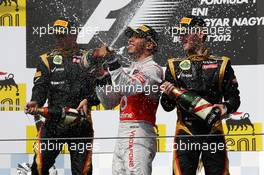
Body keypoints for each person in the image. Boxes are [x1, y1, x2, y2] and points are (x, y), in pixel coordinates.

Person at [160, 15, 240, 175]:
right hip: (186, 131)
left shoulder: (222, 64)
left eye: (185, 32)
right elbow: (166, 107)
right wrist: (169, 94)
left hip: (213, 131)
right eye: (179, 33)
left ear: (201, 33)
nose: (180, 36)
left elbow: (234, 99)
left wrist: (223, 108)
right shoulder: (174, 66)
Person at [26, 18, 100, 175]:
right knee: (38, 168)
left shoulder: (88, 59)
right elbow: (40, 87)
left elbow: (102, 91)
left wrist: (90, 100)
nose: (58, 39)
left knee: (83, 172)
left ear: (73, 35)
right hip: (54, 124)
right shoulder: (47, 59)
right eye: (56, 36)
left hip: (80, 124)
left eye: (62, 35)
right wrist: (35, 101)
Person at [96, 25, 163, 174]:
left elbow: (129, 88)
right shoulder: (130, 70)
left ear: (149, 45)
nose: (130, 39)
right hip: (123, 131)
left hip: (139, 131)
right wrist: (99, 76)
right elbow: (108, 102)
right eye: (130, 36)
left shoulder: (153, 69)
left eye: (136, 36)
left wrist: (113, 61)